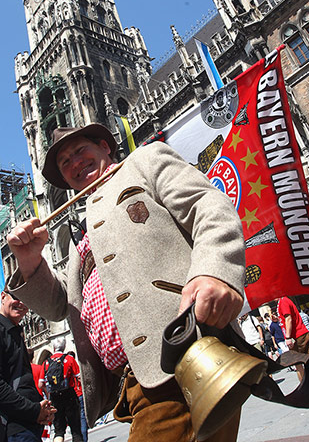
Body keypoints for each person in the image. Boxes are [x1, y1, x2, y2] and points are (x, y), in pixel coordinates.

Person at [7, 124, 245, 442]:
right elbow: (57, 304)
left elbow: (209, 207)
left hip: (182, 353)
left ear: (105, 146)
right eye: (64, 162)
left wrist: (215, 271)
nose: (74, 163)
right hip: (131, 382)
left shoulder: (145, 161)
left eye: (79, 151)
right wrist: (29, 260)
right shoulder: (81, 236)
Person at [0, 287, 55, 442]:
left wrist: (43, 409)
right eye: (16, 297)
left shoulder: (15, 331)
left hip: (27, 424)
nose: (22, 303)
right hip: (14, 427)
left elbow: (23, 380)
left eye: (27, 299)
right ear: (3, 296)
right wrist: (34, 410)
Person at [39, 337, 83, 442]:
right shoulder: (69, 359)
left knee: (59, 430)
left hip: (54, 397)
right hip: (69, 395)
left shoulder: (46, 363)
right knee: (76, 430)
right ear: (63, 347)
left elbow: (40, 384)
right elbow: (79, 376)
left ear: (53, 348)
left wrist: (48, 392)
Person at [277, 297, 309, 380]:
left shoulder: (283, 301)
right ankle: (307, 386)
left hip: (298, 336)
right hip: (298, 336)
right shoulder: (282, 302)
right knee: (300, 364)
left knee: (307, 362)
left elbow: (288, 318)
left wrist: (288, 337)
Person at [67, 352, 88, 442]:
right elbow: (80, 377)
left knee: (73, 419)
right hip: (78, 393)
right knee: (82, 418)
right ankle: (83, 439)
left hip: (69, 396)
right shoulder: (72, 362)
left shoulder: (63, 363)